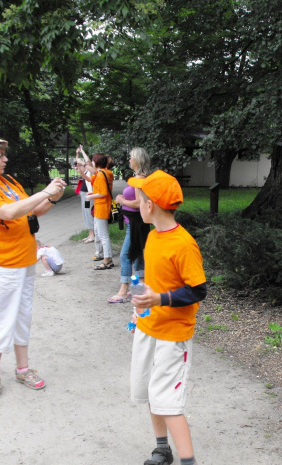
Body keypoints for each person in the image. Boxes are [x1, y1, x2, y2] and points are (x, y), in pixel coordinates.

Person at [0, 133, 66, 400]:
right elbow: (8, 213)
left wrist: (52, 196)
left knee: (22, 316)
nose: (5, 159)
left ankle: (23, 369)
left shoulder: (7, 181)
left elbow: (31, 211)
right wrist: (44, 191)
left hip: (23, 260)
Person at [128, 170, 207, 465]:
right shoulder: (152, 236)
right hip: (148, 327)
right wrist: (141, 307)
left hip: (173, 335)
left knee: (169, 402)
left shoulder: (183, 244)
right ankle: (162, 449)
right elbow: (156, 282)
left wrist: (160, 299)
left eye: (140, 197)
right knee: (151, 391)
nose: (136, 201)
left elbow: (198, 290)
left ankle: (189, 461)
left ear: (150, 206)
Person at [107, 147, 150, 303]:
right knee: (137, 254)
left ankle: (124, 290)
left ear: (137, 160)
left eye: (131, 158)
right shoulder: (139, 177)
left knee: (126, 256)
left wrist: (122, 201)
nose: (129, 160)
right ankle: (140, 288)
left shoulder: (139, 179)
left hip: (136, 223)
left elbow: (140, 203)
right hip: (134, 222)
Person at [85, 153, 114, 270]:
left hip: (102, 207)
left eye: (93, 161)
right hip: (100, 207)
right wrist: (92, 194)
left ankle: (107, 260)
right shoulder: (103, 173)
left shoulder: (102, 174)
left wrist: (91, 197)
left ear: (96, 162)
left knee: (103, 235)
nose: (91, 163)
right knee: (99, 232)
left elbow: (103, 193)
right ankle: (106, 258)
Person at [74, 145, 95, 243]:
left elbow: (88, 162)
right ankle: (90, 233)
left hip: (88, 196)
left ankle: (92, 235)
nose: (76, 167)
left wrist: (82, 151)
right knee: (85, 214)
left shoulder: (89, 170)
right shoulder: (84, 171)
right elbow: (77, 160)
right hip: (84, 195)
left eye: (78, 165)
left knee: (88, 213)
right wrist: (77, 153)